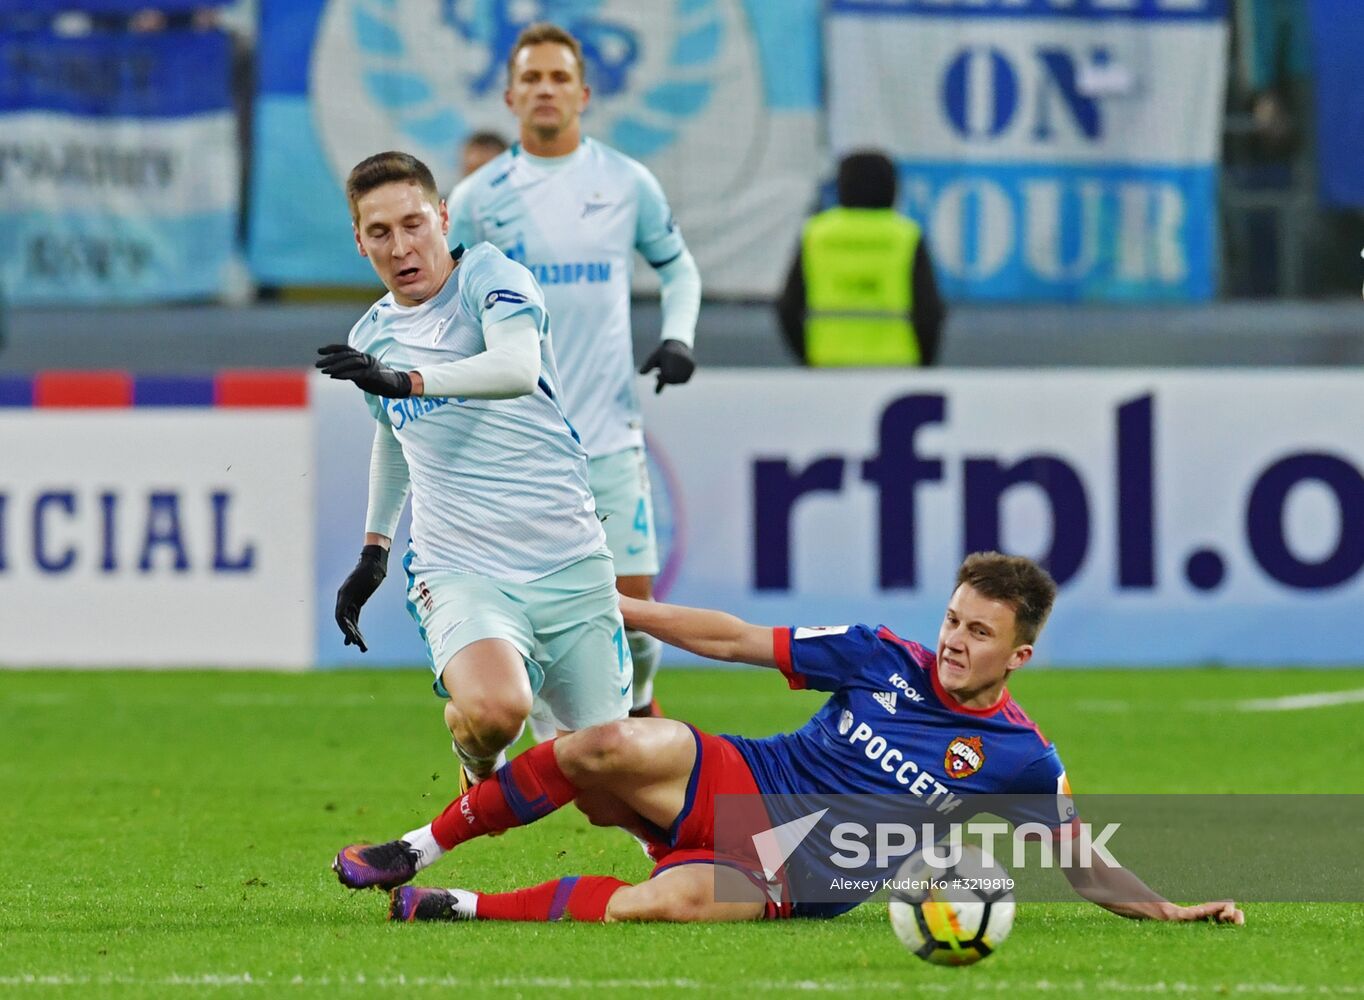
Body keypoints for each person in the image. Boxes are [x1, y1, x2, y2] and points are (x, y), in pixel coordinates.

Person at [332, 552, 1245, 927]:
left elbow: (1083, 865)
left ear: (1021, 654)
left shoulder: (1020, 760)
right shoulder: (880, 657)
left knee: (658, 909)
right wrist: (617, 604)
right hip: (745, 775)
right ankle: (413, 847)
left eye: (979, 634)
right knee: (597, 747)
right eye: (955, 621)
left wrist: (1165, 910)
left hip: (799, 873)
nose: (956, 643)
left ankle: (459, 907)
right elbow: (734, 638)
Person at [316, 150, 632, 795]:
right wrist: (374, 550)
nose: (401, 246)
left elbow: (515, 368)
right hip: (459, 566)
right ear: (358, 241)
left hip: (567, 556)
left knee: (608, 773)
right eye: (379, 233)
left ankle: (715, 874)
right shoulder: (371, 333)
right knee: (496, 711)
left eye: (413, 224)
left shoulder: (492, 277)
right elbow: (393, 432)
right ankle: (475, 759)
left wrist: (405, 379)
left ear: (442, 216)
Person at [446, 23, 702, 727]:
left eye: (559, 77)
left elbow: (678, 267)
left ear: (584, 93)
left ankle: (640, 699)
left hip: (611, 439)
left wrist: (677, 338)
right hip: (522, 451)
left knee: (638, 615)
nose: (546, 89)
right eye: (532, 78)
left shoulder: (625, 182)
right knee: (537, 615)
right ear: (509, 95)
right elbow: (444, 304)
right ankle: (554, 747)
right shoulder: (476, 198)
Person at [776, 151, 946, 367]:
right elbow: (928, 312)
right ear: (892, 186)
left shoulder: (816, 234)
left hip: (828, 362)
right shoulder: (905, 235)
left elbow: (789, 308)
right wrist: (924, 363)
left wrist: (808, 356)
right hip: (895, 364)